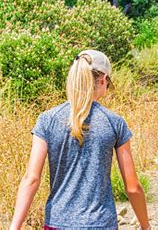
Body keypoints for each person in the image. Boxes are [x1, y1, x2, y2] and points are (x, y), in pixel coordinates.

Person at [10, 50, 150, 230]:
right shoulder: (114, 122)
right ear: (103, 79)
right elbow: (132, 188)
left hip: (58, 223)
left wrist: (14, 227)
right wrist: (146, 226)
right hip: (100, 223)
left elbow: (31, 179)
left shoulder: (48, 119)